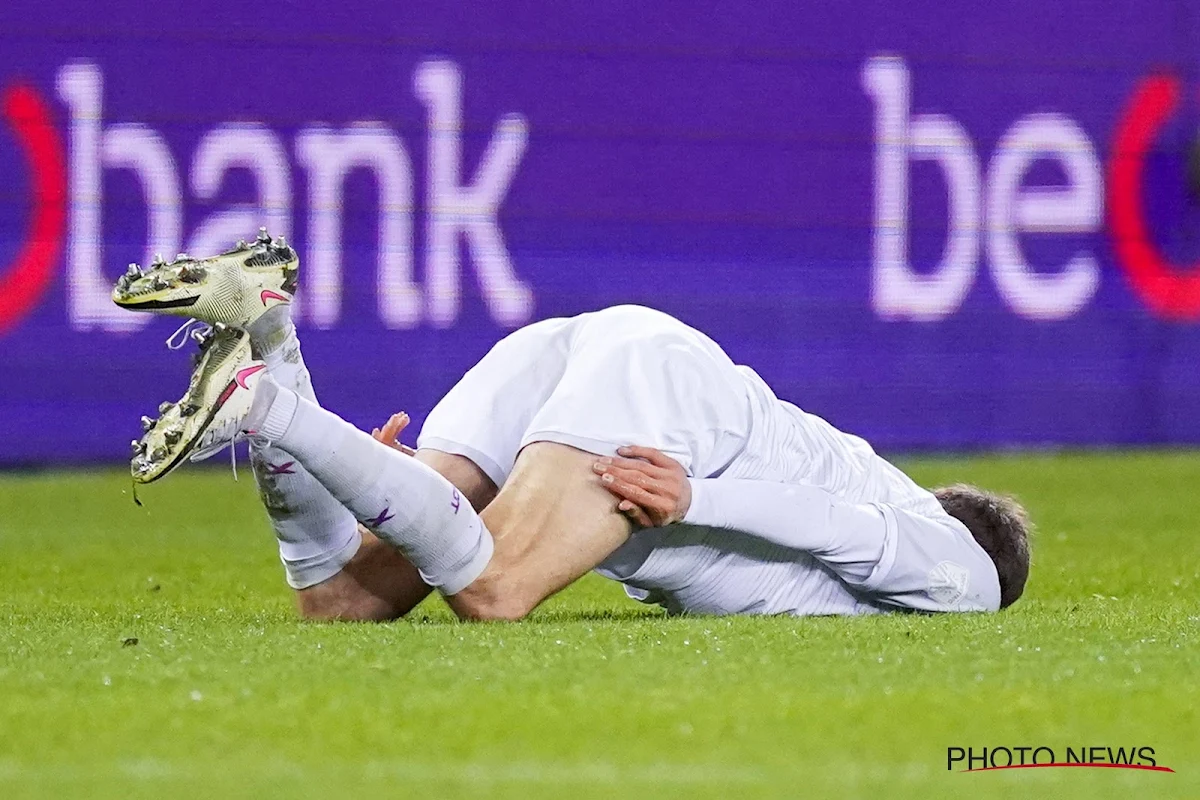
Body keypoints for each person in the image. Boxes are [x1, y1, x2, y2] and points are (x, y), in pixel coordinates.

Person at [114, 230, 1032, 621]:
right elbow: (850, 533)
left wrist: (394, 489)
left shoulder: (850, 532)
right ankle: (260, 405)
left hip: (597, 351)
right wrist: (695, 494)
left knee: (347, 601)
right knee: (498, 590)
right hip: (670, 405)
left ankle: (270, 341)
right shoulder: (966, 579)